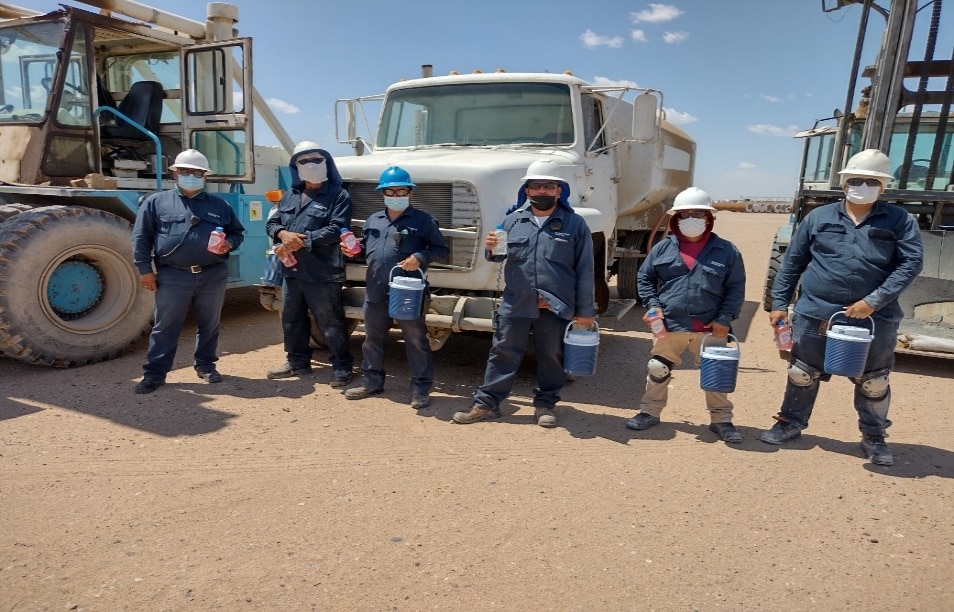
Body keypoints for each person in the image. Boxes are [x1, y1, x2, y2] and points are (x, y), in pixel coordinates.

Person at [760, 149, 923, 466]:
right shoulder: (818, 218)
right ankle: (790, 424)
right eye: (855, 179)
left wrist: (873, 301)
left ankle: (874, 438)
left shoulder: (900, 221)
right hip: (815, 314)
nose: (862, 185)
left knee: (874, 381)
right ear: (844, 182)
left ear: (883, 186)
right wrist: (779, 303)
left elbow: (910, 264)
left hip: (876, 317)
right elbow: (792, 263)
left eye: (870, 181)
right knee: (801, 373)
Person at [452, 159, 596, 428]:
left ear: (559, 191)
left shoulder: (575, 224)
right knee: (502, 352)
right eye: (536, 186)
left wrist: (585, 311)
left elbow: (586, 269)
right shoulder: (512, 220)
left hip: (554, 305)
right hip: (516, 302)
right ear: (527, 191)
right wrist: (491, 247)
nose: (542, 191)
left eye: (548, 186)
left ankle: (545, 404)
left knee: (552, 355)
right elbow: (497, 258)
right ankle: (486, 404)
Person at [624, 187, 747, 442]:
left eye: (698, 213)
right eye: (685, 214)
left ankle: (721, 420)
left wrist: (725, 318)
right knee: (658, 368)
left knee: (716, 374)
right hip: (671, 323)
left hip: (711, 327)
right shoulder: (662, 249)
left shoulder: (727, 250)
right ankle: (649, 413)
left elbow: (736, 288)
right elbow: (645, 278)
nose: (691, 218)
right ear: (675, 219)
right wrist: (653, 306)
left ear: (709, 218)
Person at [131, 149, 245, 394]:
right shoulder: (156, 202)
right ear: (174, 174)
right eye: (185, 172)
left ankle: (205, 366)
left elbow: (237, 232)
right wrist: (144, 271)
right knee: (165, 326)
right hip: (173, 275)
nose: (190, 176)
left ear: (205, 177)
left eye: (196, 173)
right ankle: (155, 373)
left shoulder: (220, 205)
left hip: (212, 274)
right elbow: (141, 238)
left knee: (209, 323)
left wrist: (230, 244)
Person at [342, 166, 449, 409]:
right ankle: (372, 382)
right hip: (376, 290)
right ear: (383, 194)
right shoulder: (373, 219)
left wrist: (419, 257)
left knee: (415, 340)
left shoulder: (423, 220)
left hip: (407, 291)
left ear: (411, 193)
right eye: (390, 191)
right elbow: (365, 252)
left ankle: (421, 388)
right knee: (372, 338)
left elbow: (442, 250)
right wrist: (352, 252)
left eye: (402, 191)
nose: (396, 195)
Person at [265, 141, 355, 386]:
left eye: (317, 159)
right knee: (291, 319)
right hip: (292, 270)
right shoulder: (290, 195)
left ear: (327, 163)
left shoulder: (338, 195)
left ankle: (342, 367)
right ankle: (297, 362)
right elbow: (272, 224)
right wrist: (283, 234)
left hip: (323, 271)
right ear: (296, 167)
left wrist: (302, 241)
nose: (311, 164)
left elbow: (338, 228)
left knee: (329, 322)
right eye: (304, 161)